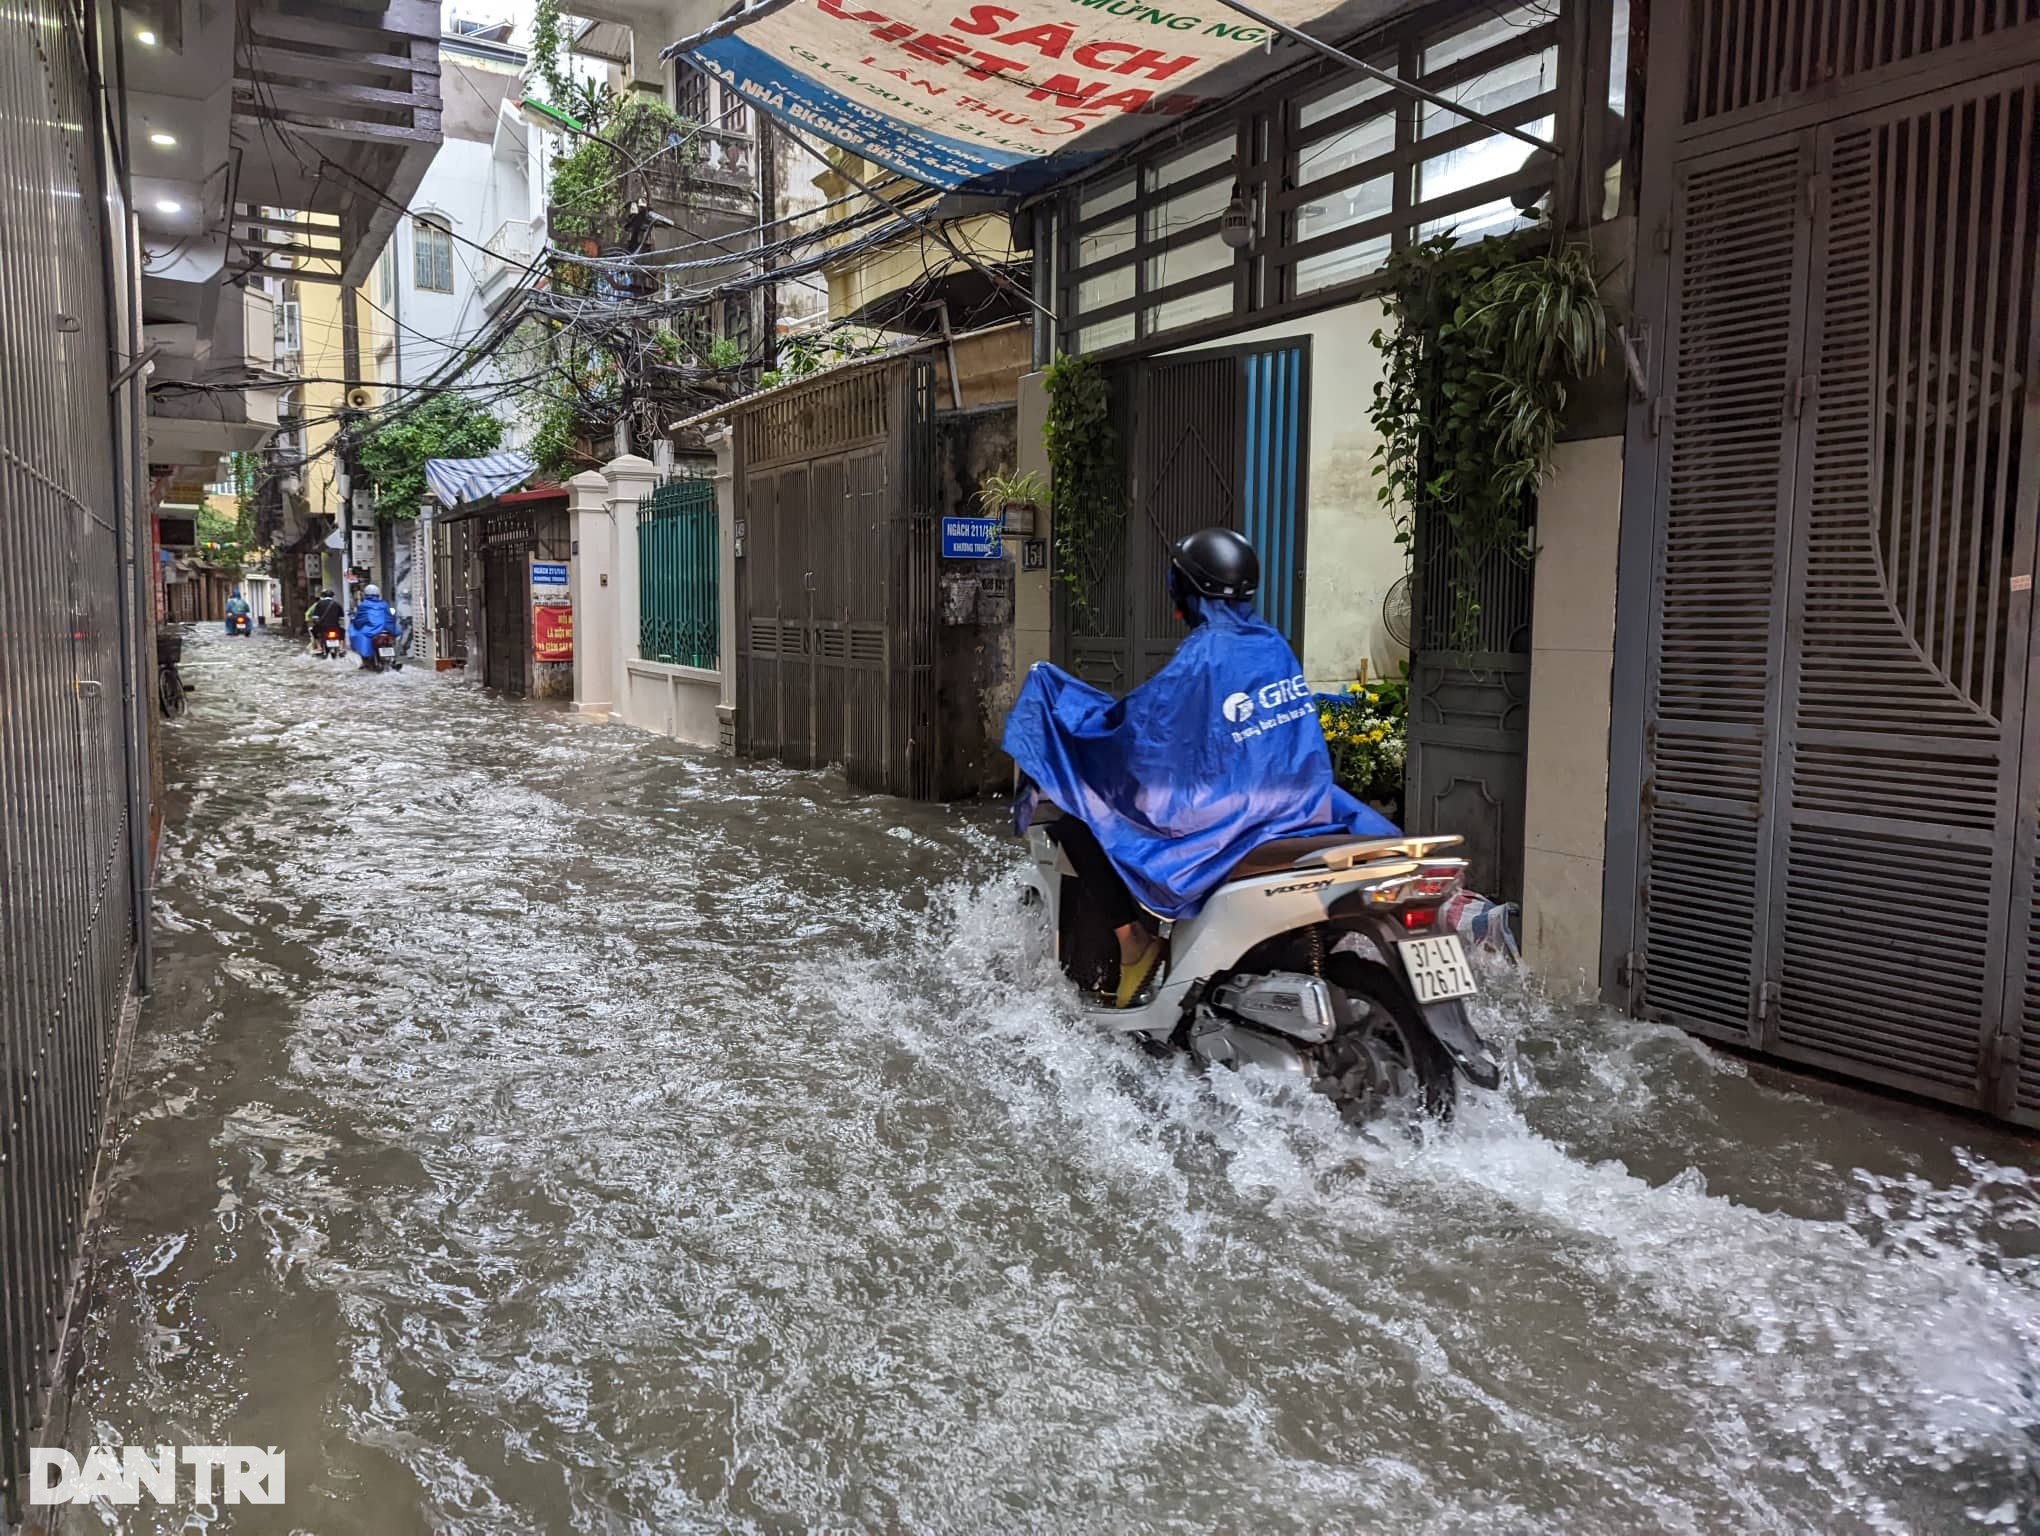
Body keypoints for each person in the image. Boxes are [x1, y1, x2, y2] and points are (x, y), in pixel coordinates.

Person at [1003, 527, 1396, 1007]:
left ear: (1184, 593)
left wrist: (1068, 722)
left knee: (1078, 814)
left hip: (1230, 814)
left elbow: (1140, 734)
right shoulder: (1272, 645)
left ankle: (1134, 947)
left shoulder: (1201, 658)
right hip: (1298, 802)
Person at [348, 583, 398, 665]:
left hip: (371, 629)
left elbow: (360, 619)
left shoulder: (364, 605)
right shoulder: (384, 604)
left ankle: (366, 658)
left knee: (355, 633)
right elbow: (390, 616)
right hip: (386, 628)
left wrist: (354, 621)